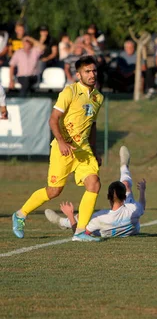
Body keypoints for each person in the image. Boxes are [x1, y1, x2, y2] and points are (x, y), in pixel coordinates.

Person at [11, 56, 104, 242]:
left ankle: (80, 231)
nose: (92, 74)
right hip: (63, 148)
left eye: (94, 71)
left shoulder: (98, 97)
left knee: (94, 183)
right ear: (78, 74)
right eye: (87, 71)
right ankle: (20, 214)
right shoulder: (69, 92)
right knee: (54, 191)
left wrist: (94, 149)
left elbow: (92, 125)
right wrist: (61, 142)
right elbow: (53, 119)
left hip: (83, 150)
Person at [45, 146, 146, 239]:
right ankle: (124, 166)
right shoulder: (133, 209)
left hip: (100, 227)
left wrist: (70, 215)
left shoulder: (99, 218)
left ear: (108, 197)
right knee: (126, 184)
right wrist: (142, 191)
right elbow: (142, 205)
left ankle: (62, 222)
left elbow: (78, 233)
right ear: (125, 197)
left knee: (82, 216)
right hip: (133, 231)